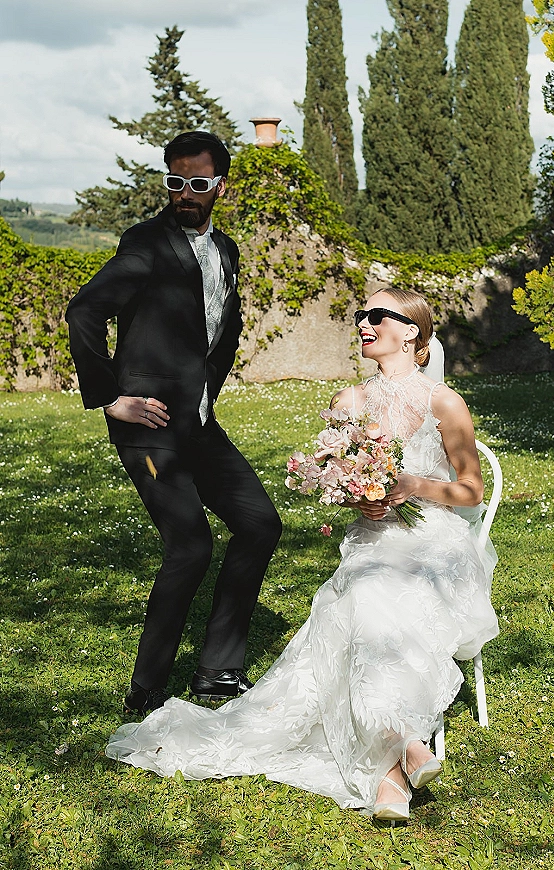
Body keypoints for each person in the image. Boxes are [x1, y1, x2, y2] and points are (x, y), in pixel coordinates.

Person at [105, 287, 499, 821]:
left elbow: (472, 491)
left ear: (412, 331)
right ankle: (399, 755)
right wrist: (358, 496)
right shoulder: (349, 403)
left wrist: (412, 485)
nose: (363, 323)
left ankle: (393, 762)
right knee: (366, 590)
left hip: (436, 544)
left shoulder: (444, 402)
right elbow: (336, 480)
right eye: (361, 316)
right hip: (376, 539)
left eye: (377, 316)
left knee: (377, 594)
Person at [66, 131, 282, 717]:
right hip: (150, 427)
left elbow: (224, 328)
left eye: (199, 183)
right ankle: (147, 690)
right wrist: (110, 398)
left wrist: (207, 391)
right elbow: (85, 311)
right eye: (175, 181)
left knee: (260, 524)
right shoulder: (145, 245)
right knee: (189, 545)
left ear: (220, 185)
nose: (185, 193)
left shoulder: (228, 251)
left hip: (200, 424)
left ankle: (217, 671)